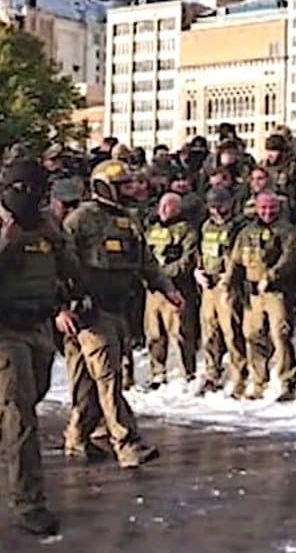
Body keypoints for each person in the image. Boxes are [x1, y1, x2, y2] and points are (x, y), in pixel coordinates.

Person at [63, 159, 175, 468]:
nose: (131, 189)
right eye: (123, 185)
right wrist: (64, 305)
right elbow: (60, 262)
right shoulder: (81, 219)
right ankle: (127, 443)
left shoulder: (129, 220)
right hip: (89, 311)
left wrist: (166, 287)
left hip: (117, 308)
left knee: (90, 380)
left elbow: (146, 260)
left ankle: (77, 437)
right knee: (108, 378)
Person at [0, 160, 80, 535]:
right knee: (20, 416)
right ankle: (30, 502)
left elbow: (69, 266)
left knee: (32, 399)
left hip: (39, 326)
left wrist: (74, 292)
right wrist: (6, 241)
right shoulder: (4, 225)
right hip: (5, 330)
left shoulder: (47, 224)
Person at [224, 191, 296, 402]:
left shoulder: (286, 231)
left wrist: (271, 276)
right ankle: (258, 382)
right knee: (253, 335)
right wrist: (228, 283)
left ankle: (287, 382)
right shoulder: (246, 232)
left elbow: (289, 258)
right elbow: (235, 261)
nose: (267, 212)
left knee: (280, 335)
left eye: (271, 207)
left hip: (276, 291)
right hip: (252, 292)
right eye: (263, 207)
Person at [143, 192, 199, 387]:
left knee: (180, 333)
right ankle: (157, 373)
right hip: (153, 292)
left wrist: (162, 275)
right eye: (162, 205)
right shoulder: (151, 229)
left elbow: (187, 260)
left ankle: (187, 373)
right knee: (154, 334)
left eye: (170, 206)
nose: (164, 210)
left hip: (176, 288)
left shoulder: (186, 230)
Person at [195, 187, 246, 397]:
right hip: (208, 284)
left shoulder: (239, 226)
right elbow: (201, 251)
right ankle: (212, 374)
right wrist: (197, 271)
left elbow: (238, 256)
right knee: (209, 331)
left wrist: (229, 279)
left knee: (231, 332)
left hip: (228, 285)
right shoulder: (206, 226)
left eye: (221, 205)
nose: (217, 210)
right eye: (213, 206)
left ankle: (239, 377)